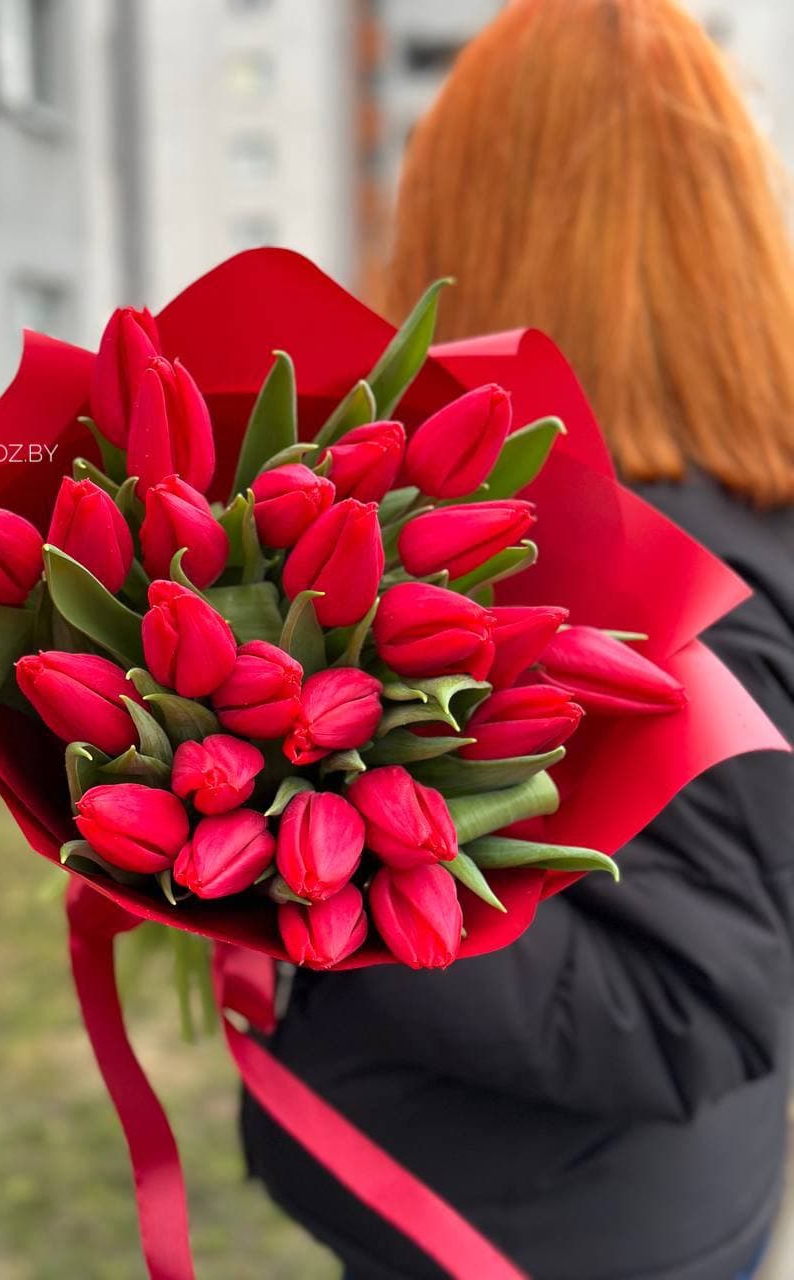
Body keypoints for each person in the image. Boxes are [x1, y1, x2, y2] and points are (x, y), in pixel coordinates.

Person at [241, 1, 794, 1277]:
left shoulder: (636, 576)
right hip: (650, 1197)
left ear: (465, 216)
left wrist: (290, 849)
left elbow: (678, 1005)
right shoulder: (734, 510)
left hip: (527, 1231)